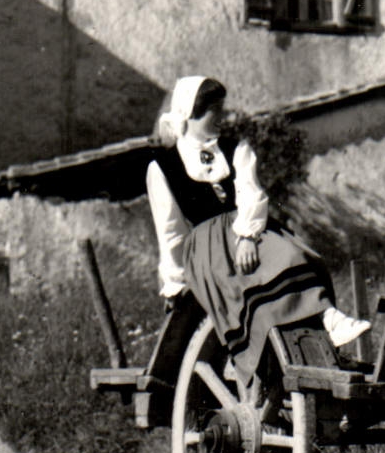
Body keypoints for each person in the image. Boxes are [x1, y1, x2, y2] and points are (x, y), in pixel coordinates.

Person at [147, 75, 368, 382]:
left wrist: (247, 236)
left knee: (300, 256)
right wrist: (174, 283)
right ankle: (313, 325)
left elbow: (251, 193)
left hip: (245, 229)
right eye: (216, 109)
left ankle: (326, 319)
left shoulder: (235, 148)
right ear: (191, 112)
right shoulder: (163, 166)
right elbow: (170, 230)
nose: (223, 116)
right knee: (268, 270)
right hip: (208, 247)